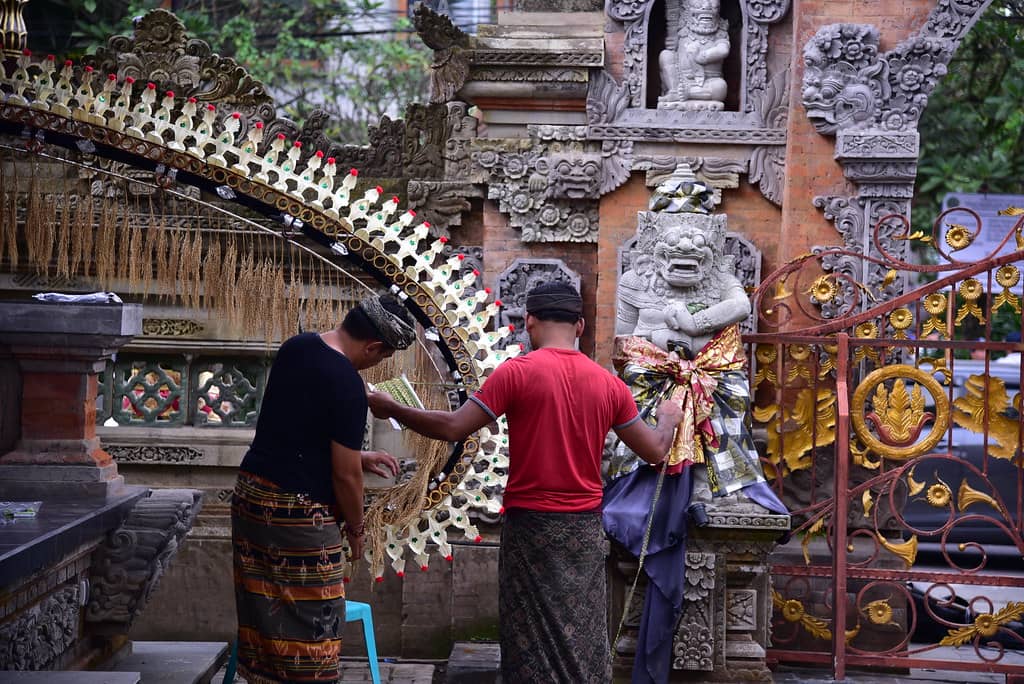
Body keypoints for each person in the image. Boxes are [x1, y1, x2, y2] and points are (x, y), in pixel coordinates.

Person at [368, 281, 682, 683]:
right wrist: (669, 417)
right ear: (581, 325)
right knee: (581, 630)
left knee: (527, 632)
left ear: (529, 322)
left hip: (529, 526)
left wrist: (390, 406)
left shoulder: (516, 373)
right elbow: (656, 450)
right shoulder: (609, 384)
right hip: (583, 529)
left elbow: (452, 428)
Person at [231, 294, 415, 684]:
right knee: (310, 620)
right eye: (381, 358)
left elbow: (293, 428)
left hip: (251, 497)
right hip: (297, 515)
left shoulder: (297, 347)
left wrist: (360, 457)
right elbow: (345, 477)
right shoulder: (347, 382)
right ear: (375, 346)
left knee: (263, 610)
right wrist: (357, 529)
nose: (375, 365)